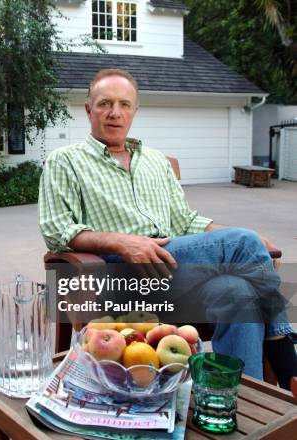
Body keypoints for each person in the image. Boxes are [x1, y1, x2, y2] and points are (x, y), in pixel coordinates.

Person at [38, 68, 296, 388]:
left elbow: (187, 221)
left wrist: (245, 239)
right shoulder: (65, 160)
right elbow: (57, 230)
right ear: (88, 109)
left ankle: (238, 400)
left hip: (174, 271)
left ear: (135, 110)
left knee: (238, 291)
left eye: (124, 104)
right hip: (117, 275)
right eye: (105, 103)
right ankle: (286, 359)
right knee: (244, 243)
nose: (115, 112)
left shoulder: (156, 161)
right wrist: (123, 243)